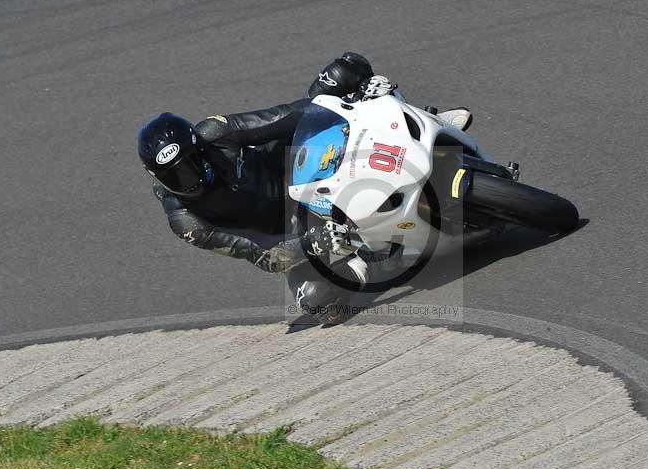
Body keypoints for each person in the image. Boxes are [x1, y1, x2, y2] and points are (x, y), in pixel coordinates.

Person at [137, 53, 473, 323]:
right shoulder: (186, 223)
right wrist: (310, 243)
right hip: (291, 225)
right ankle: (373, 255)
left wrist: (346, 104)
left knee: (343, 71)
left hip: (300, 161)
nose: (192, 180)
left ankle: (421, 123)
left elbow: (280, 117)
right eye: (176, 178)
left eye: (193, 166)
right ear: (156, 177)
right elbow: (259, 254)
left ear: (199, 148)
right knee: (315, 300)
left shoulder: (216, 132)